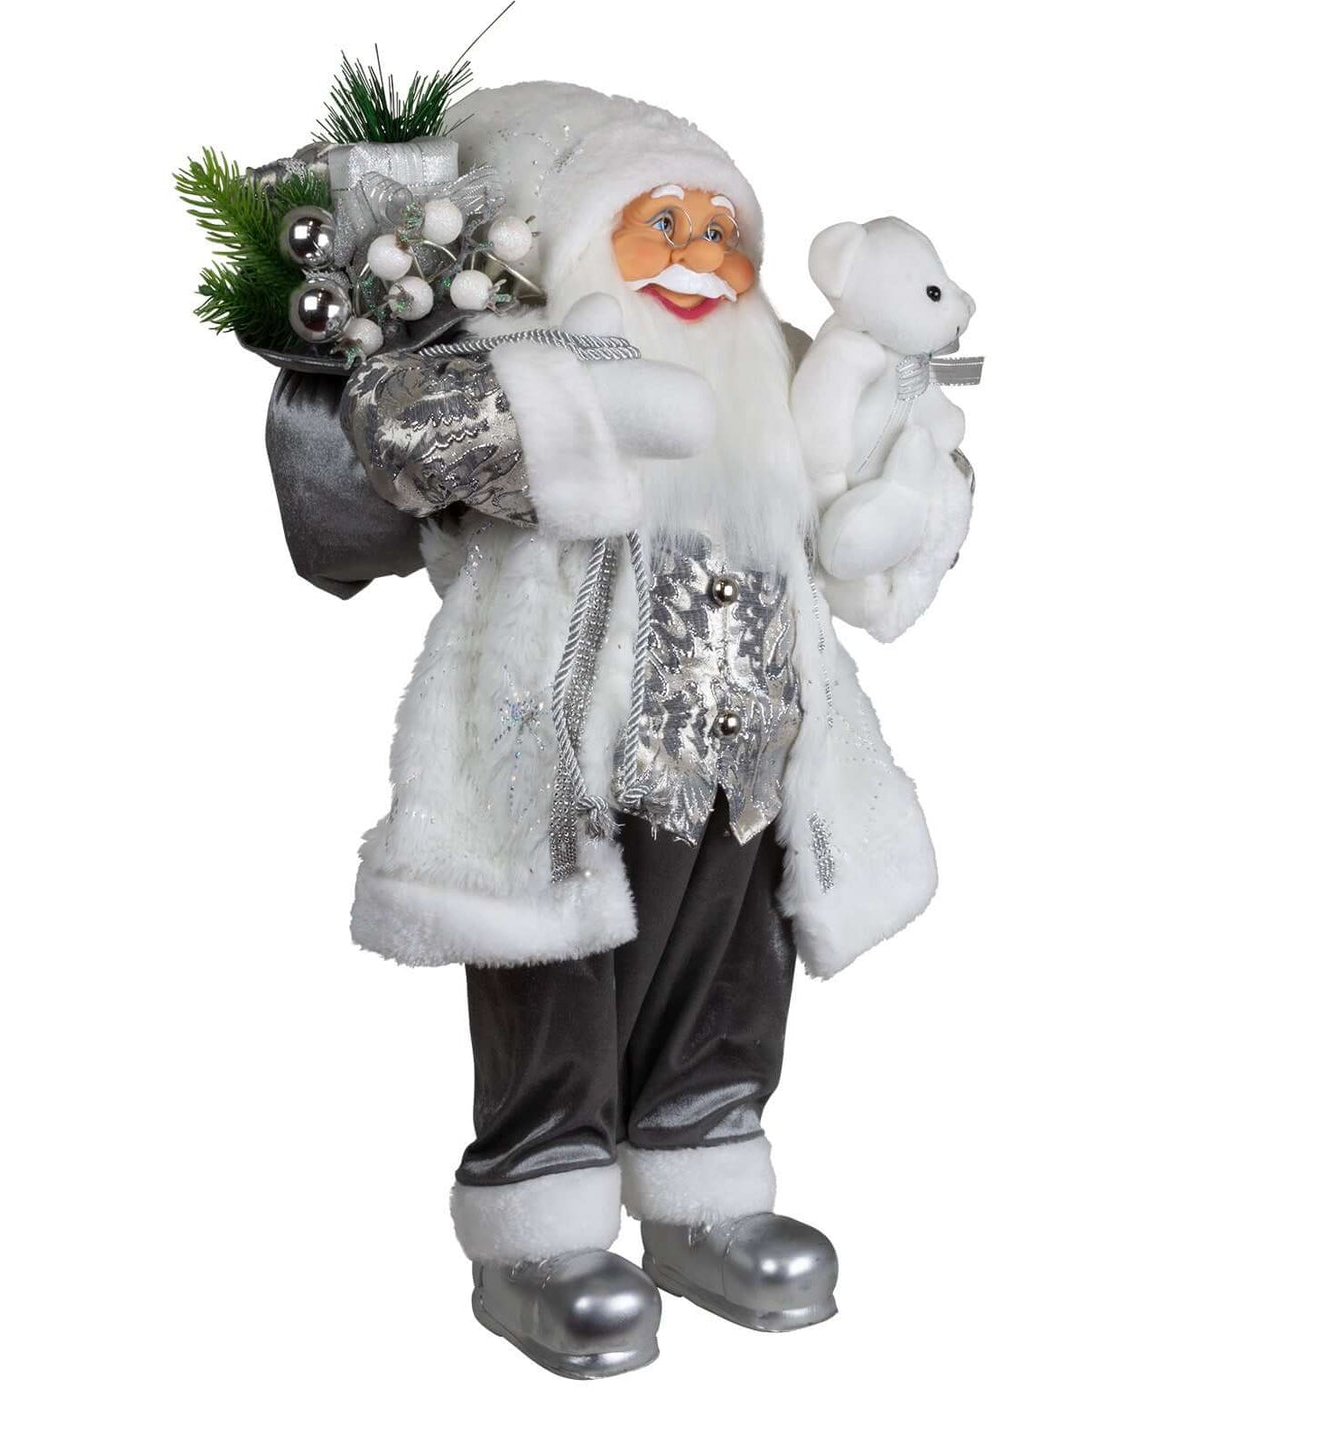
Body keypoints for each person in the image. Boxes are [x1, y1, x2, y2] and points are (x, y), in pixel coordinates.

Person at [286, 82, 964, 1378]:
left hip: (753, 747)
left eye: (725, 229)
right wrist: (570, 404)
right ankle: (539, 1221)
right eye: (664, 223)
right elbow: (404, 441)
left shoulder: (778, 380)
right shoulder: (526, 355)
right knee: (557, 966)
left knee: (733, 961)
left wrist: (911, 467)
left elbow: (856, 521)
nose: (703, 255)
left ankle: (705, 1177)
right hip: (568, 745)